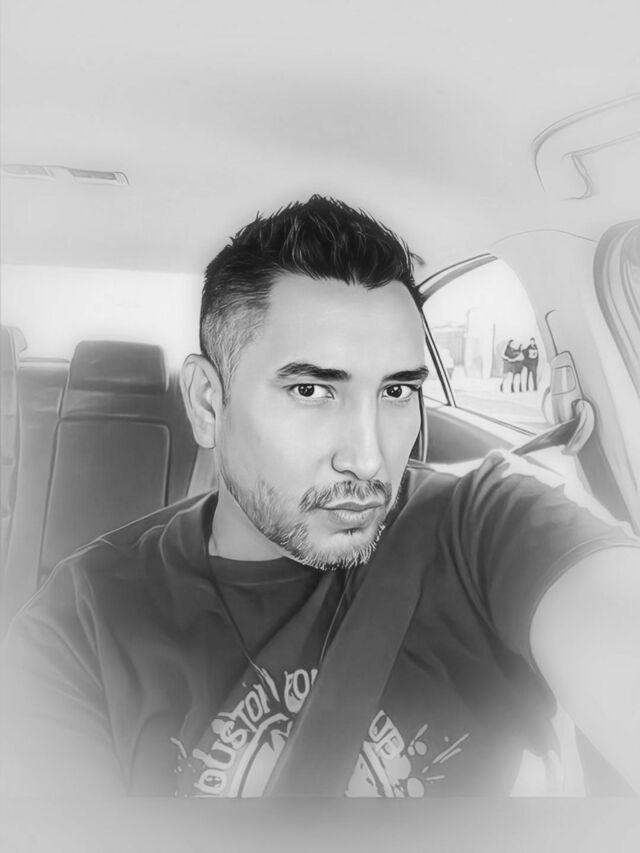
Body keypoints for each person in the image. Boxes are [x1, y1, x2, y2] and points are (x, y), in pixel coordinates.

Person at [1, 196, 639, 798]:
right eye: (311, 390)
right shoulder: (80, 623)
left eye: (396, 391)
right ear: (207, 402)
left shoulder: (491, 524)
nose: (368, 458)